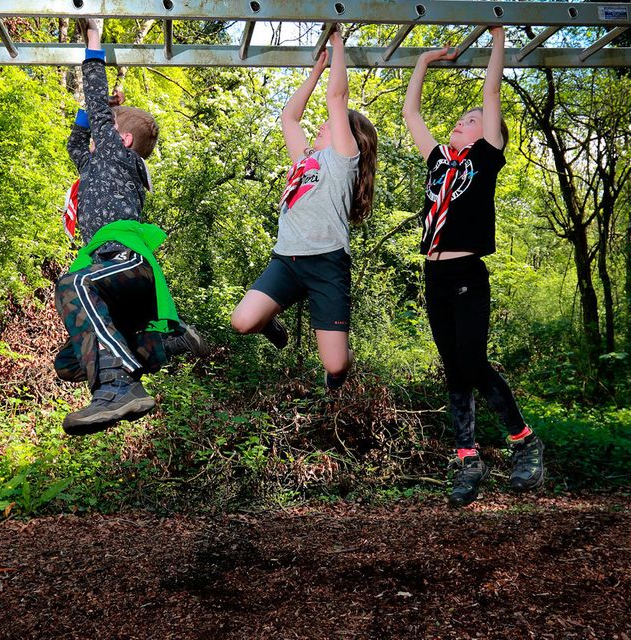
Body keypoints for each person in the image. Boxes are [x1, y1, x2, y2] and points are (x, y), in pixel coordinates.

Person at [402, 26, 544, 507]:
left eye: (471, 118)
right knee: (453, 368)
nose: (462, 122)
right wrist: (422, 62)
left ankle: (524, 441)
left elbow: (490, 88)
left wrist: (498, 36)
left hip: (467, 274)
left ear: (489, 132)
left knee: (472, 359)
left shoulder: (487, 158)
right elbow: (411, 113)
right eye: (461, 119)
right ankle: (468, 459)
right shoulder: (440, 161)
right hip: (434, 274)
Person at [53, 18, 207, 436]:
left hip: (123, 261)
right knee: (68, 361)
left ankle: (118, 388)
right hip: (114, 275)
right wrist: (92, 114)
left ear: (120, 141)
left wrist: (94, 37)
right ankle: (166, 345)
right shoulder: (100, 164)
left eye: (105, 131)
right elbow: (74, 143)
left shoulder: (118, 159)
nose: (93, 140)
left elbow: (98, 103)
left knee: (72, 286)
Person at [230, 27, 377, 392]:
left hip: (327, 264)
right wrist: (314, 73)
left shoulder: (343, 161)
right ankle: (270, 321)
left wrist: (338, 44)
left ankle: (339, 374)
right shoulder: (305, 161)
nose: (323, 125)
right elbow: (290, 118)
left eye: (330, 124)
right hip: (287, 261)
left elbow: (337, 98)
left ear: (350, 137)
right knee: (242, 321)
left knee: (336, 363)